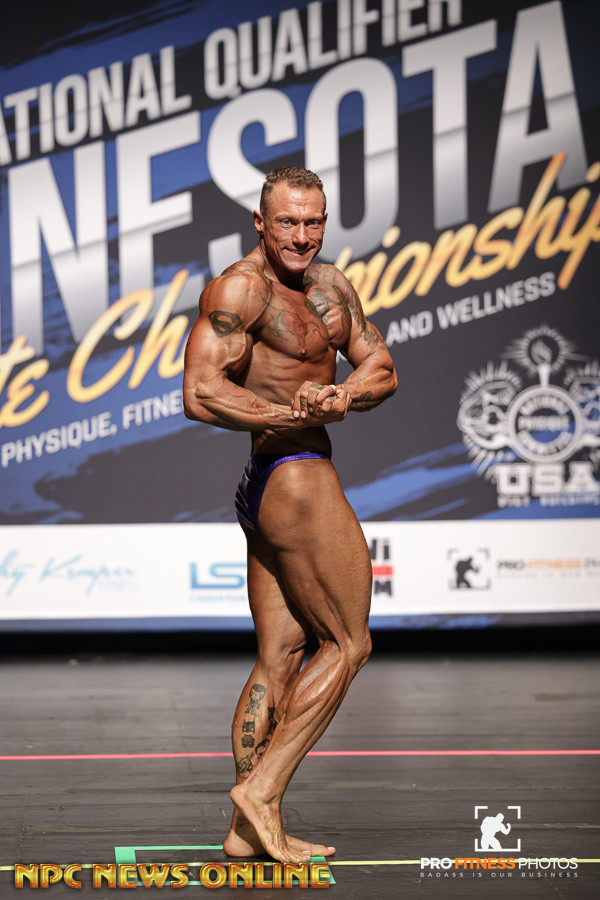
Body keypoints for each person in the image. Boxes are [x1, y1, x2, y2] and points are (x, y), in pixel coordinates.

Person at [183, 166, 397, 864]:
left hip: (272, 481)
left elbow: (382, 368)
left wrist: (343, 397)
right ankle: (263, 789)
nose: (302, 236)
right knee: (349, 642)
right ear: (260, 222)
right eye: (287, 222)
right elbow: (199, 391)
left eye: (313, 222)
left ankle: (246, 829)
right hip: (295, 475)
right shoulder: (241, 289)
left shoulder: (331, 287)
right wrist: (288, 414)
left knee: (280, 656)